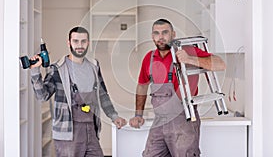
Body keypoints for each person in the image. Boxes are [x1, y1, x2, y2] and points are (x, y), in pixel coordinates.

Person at [129, 18, 226, 157]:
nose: (160, 37)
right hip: (159, 121)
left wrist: (190, 59)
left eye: (165, 32)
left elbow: (220, 64)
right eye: (156, 33)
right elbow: (142, 86)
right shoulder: (149, 58)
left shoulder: (186, 51)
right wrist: (138, 114)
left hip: (183, 121)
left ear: (173, 34)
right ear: (152, 36)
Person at [30, 26, 127, 157]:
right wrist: (35, 71)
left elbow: (102, 94)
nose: (79, 45)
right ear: (69, 43)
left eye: (83, 41)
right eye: (75, 41)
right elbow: (43, 96)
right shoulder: (58, 68)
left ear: (88, 43)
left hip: (91, 130)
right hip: (67, 134)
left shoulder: (94, 66)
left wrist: (114, 116)